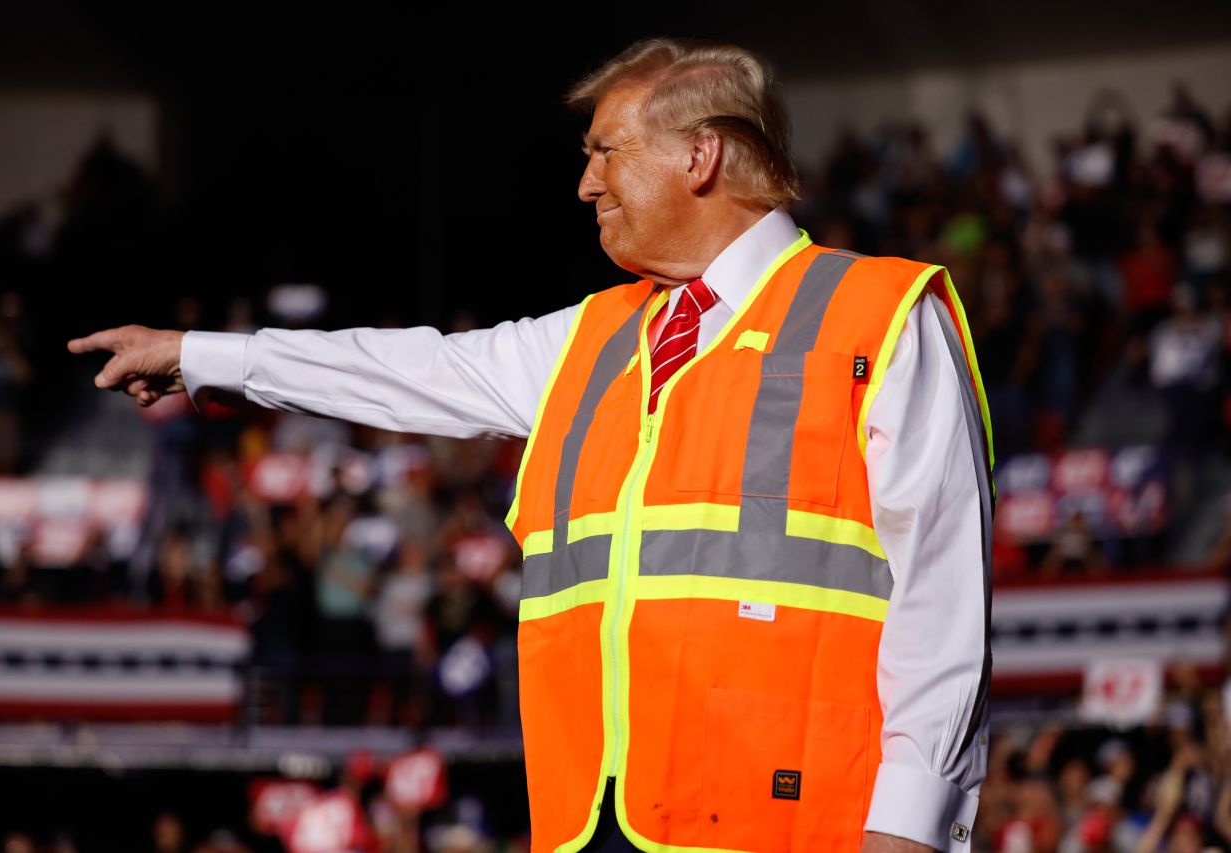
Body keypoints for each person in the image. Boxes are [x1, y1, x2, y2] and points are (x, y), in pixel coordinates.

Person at [68, 38, 992, 853]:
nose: (586, 184)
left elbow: (943, 598)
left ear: (701, 156)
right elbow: (413, 371)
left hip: (801, 833)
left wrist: (909, 826)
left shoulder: (881, 318)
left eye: (606, 152)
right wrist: (199, 357)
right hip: (593, 825)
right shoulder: (592, 337)